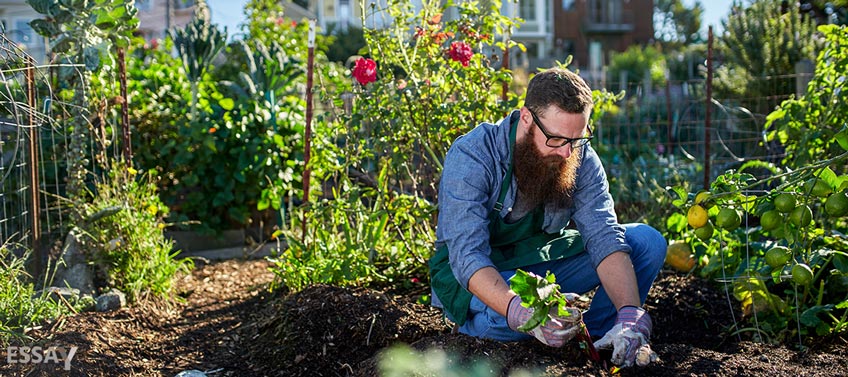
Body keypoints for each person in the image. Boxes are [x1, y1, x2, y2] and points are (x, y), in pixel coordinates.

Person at [429, 67, 667, 368]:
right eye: (556, 139)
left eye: (577, 139)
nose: (568, 153)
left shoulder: (578, 156)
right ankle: (474, 331)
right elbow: (467, 256)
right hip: (477, 274)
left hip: (538, 263)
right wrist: (519, 310)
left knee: (646, 242)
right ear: (526, 118)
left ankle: (599, 340)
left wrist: (630, 313)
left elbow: (603, 234)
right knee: (507, 322)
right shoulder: (474, 155)